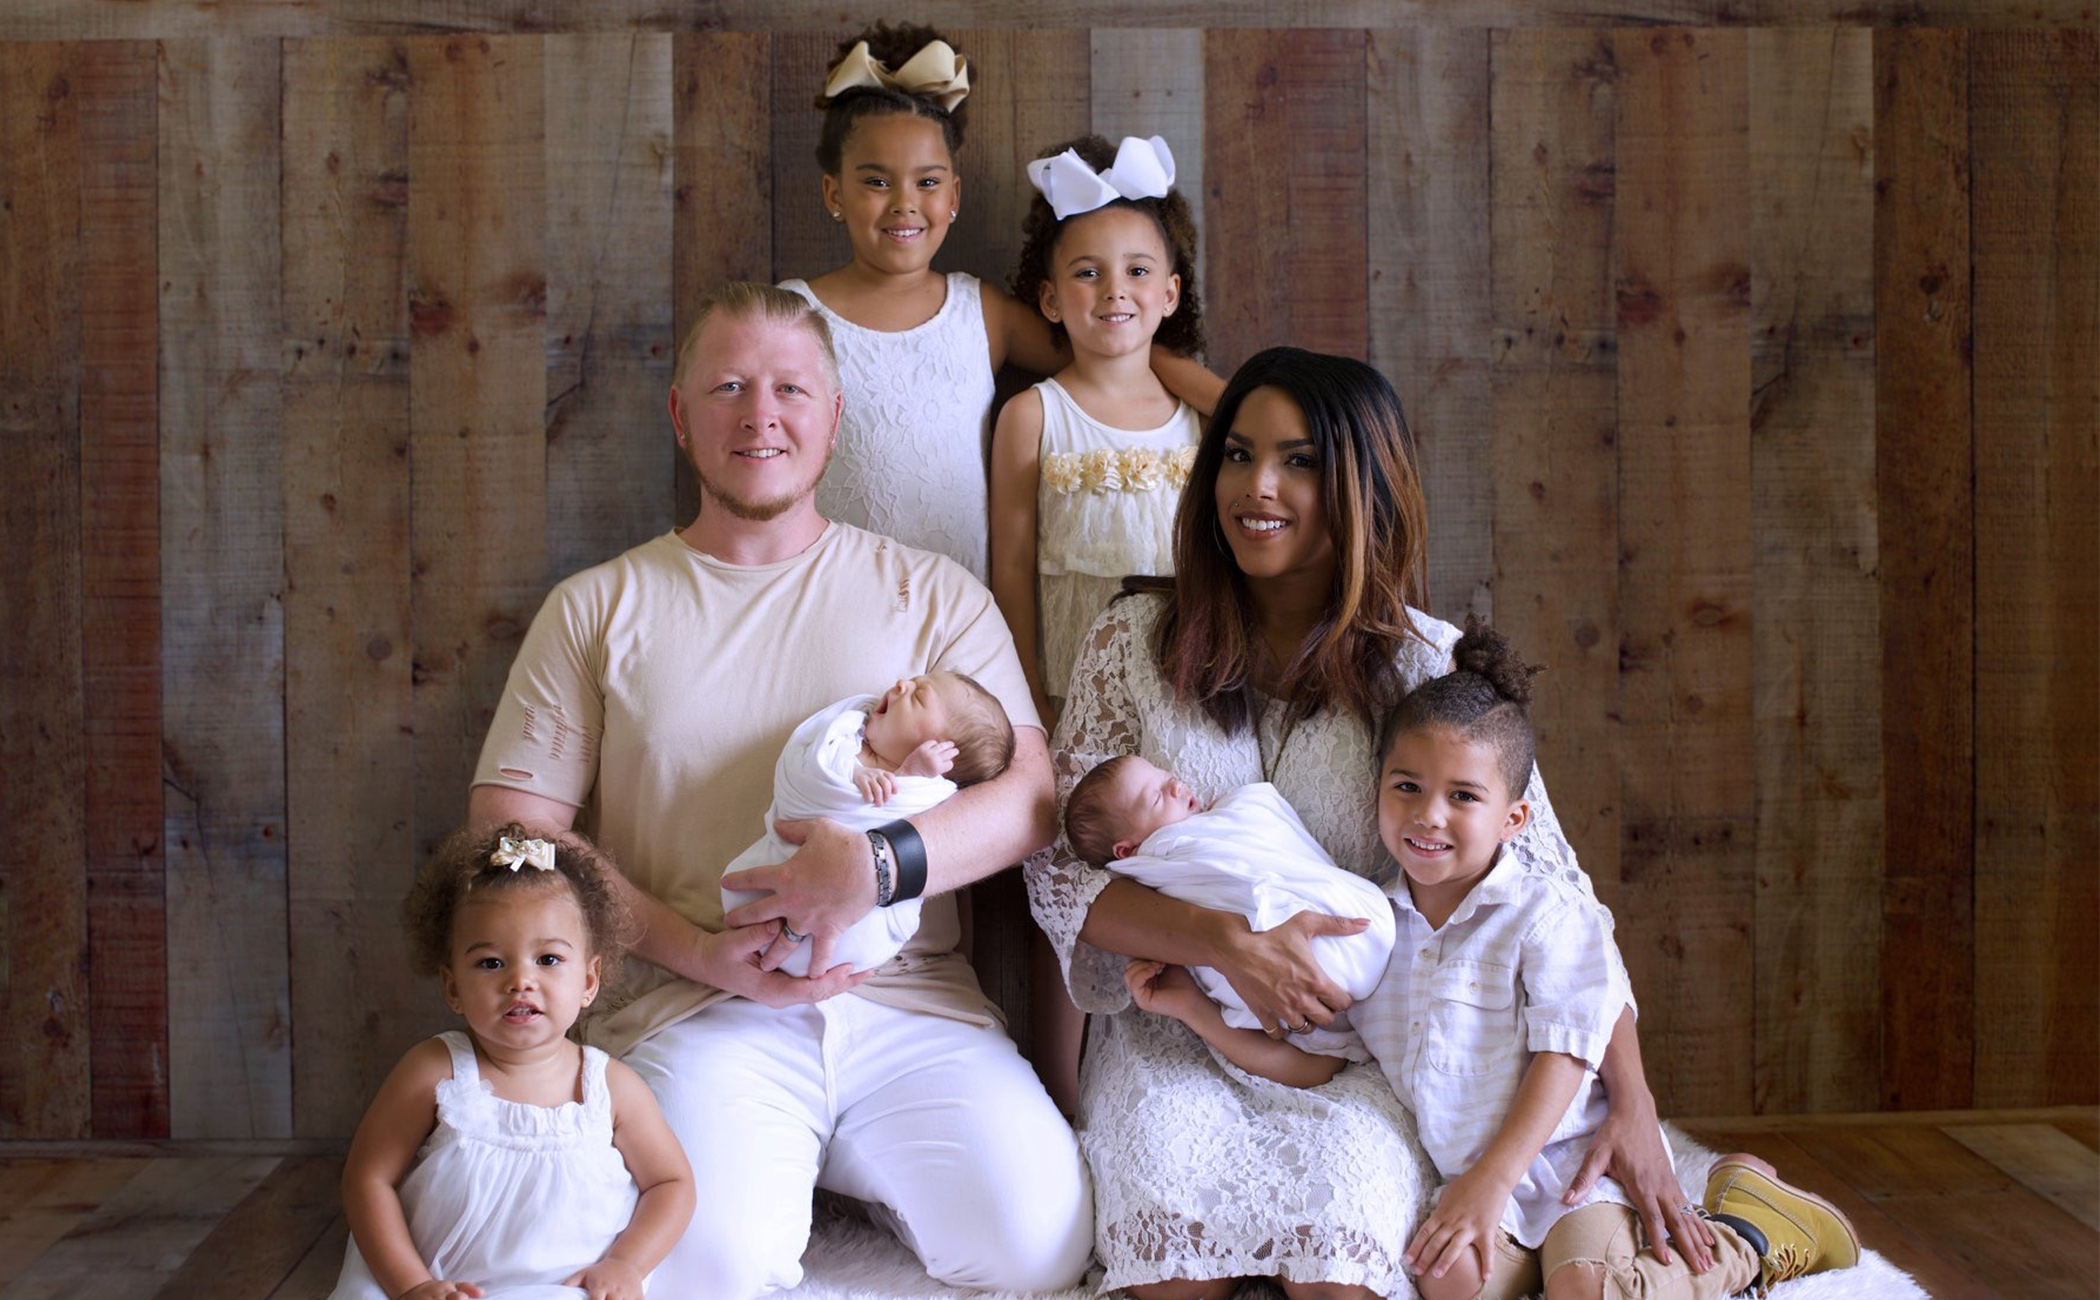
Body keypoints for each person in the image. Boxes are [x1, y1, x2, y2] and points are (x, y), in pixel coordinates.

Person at [1027, 347, 1718, 1300]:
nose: (1257, 486)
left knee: (1341, 1278)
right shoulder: (1130, 643)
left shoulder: (1432, 667)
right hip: (1176, 1029)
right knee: (1175, 1277)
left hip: (1366, 1055)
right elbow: (1060, 873)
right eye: (1238, 455)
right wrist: (1224, 945)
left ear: (1363, 489)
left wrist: (1633, 1101)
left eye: (1300, 462)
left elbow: (1558, 897)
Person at [465, 281, 1091, 1299]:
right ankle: (776, 1163)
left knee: (1043, 1246)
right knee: (704, 1267)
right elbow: (509, 834)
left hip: (909, 1005)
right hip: (700, 1010)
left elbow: (1031, 798)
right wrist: (700, 950)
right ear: (682, 417)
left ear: (834, 419)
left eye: (791, 389)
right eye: (729, 387)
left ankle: (843, 1161)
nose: (761, 414)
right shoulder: (597, 607)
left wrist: (880, 866)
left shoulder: (933, 592)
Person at [1133, 622, 1863, 1299]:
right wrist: (1196, 1009)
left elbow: (1566, 1051)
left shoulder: (1542, 912)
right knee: (1445, 1279)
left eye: (1463, 797)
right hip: (1477, 1183)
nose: (1429, 815)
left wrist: (1491, 1179)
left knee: (1584, 1290)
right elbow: (1314, 1064)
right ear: (1377, 788)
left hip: (1577, 1167)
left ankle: (1749, 1233)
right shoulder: (1370, 929)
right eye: (1408, 787)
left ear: (1513, 818)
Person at [783, 26, 1221, 582]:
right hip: (837, 592)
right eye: (876, 182)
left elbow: (1116, 348)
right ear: (834, 193)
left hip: (959, 606)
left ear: (953, 195)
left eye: (927, 182)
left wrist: (1235, 406)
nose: (904, 204)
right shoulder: (791, 317)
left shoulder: (979, 312)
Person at [333, 825, 694, 1300]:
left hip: (568, 1289)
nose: (521, 980)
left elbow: (671, 1183)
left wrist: (627, 1262)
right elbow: (368, 1179)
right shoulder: (435, 1071)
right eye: (491, 963)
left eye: (548, 959)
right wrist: (412, 1284)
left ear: (589, 981)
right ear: (453, 987)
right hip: (442, 1285)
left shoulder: (611, 1088)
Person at [989, 132, 1207, 725]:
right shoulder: (1033, 416)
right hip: (1073, 696)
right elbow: (1011, 565)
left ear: (1169, 294)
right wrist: (1026, 693)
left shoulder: (1199, 420)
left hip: (1188, 695)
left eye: (1137, 270)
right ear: (1051, 299)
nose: (1115, 290)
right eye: (1088, 272)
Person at [1066, 754, 1393, 1063]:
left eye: (1165, 776)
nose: (1176, 786)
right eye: (1155, 798)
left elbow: (1261, 829)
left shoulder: (1205, 826)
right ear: (1127, 851)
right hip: (1353, 939)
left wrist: (1229, 815)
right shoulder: (1159, 858)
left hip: (1332, 950)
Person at [720, 670, 1015, 976]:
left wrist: (908, 775)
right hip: (781, 863)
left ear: (941, 753)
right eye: (913, 680)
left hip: (857, 930)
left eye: (918, 697)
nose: (901, 684)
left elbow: (902, 822)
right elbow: (815, 771)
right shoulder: (844, 736)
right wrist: (856, 773)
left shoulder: (926, 792)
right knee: (741, 884)